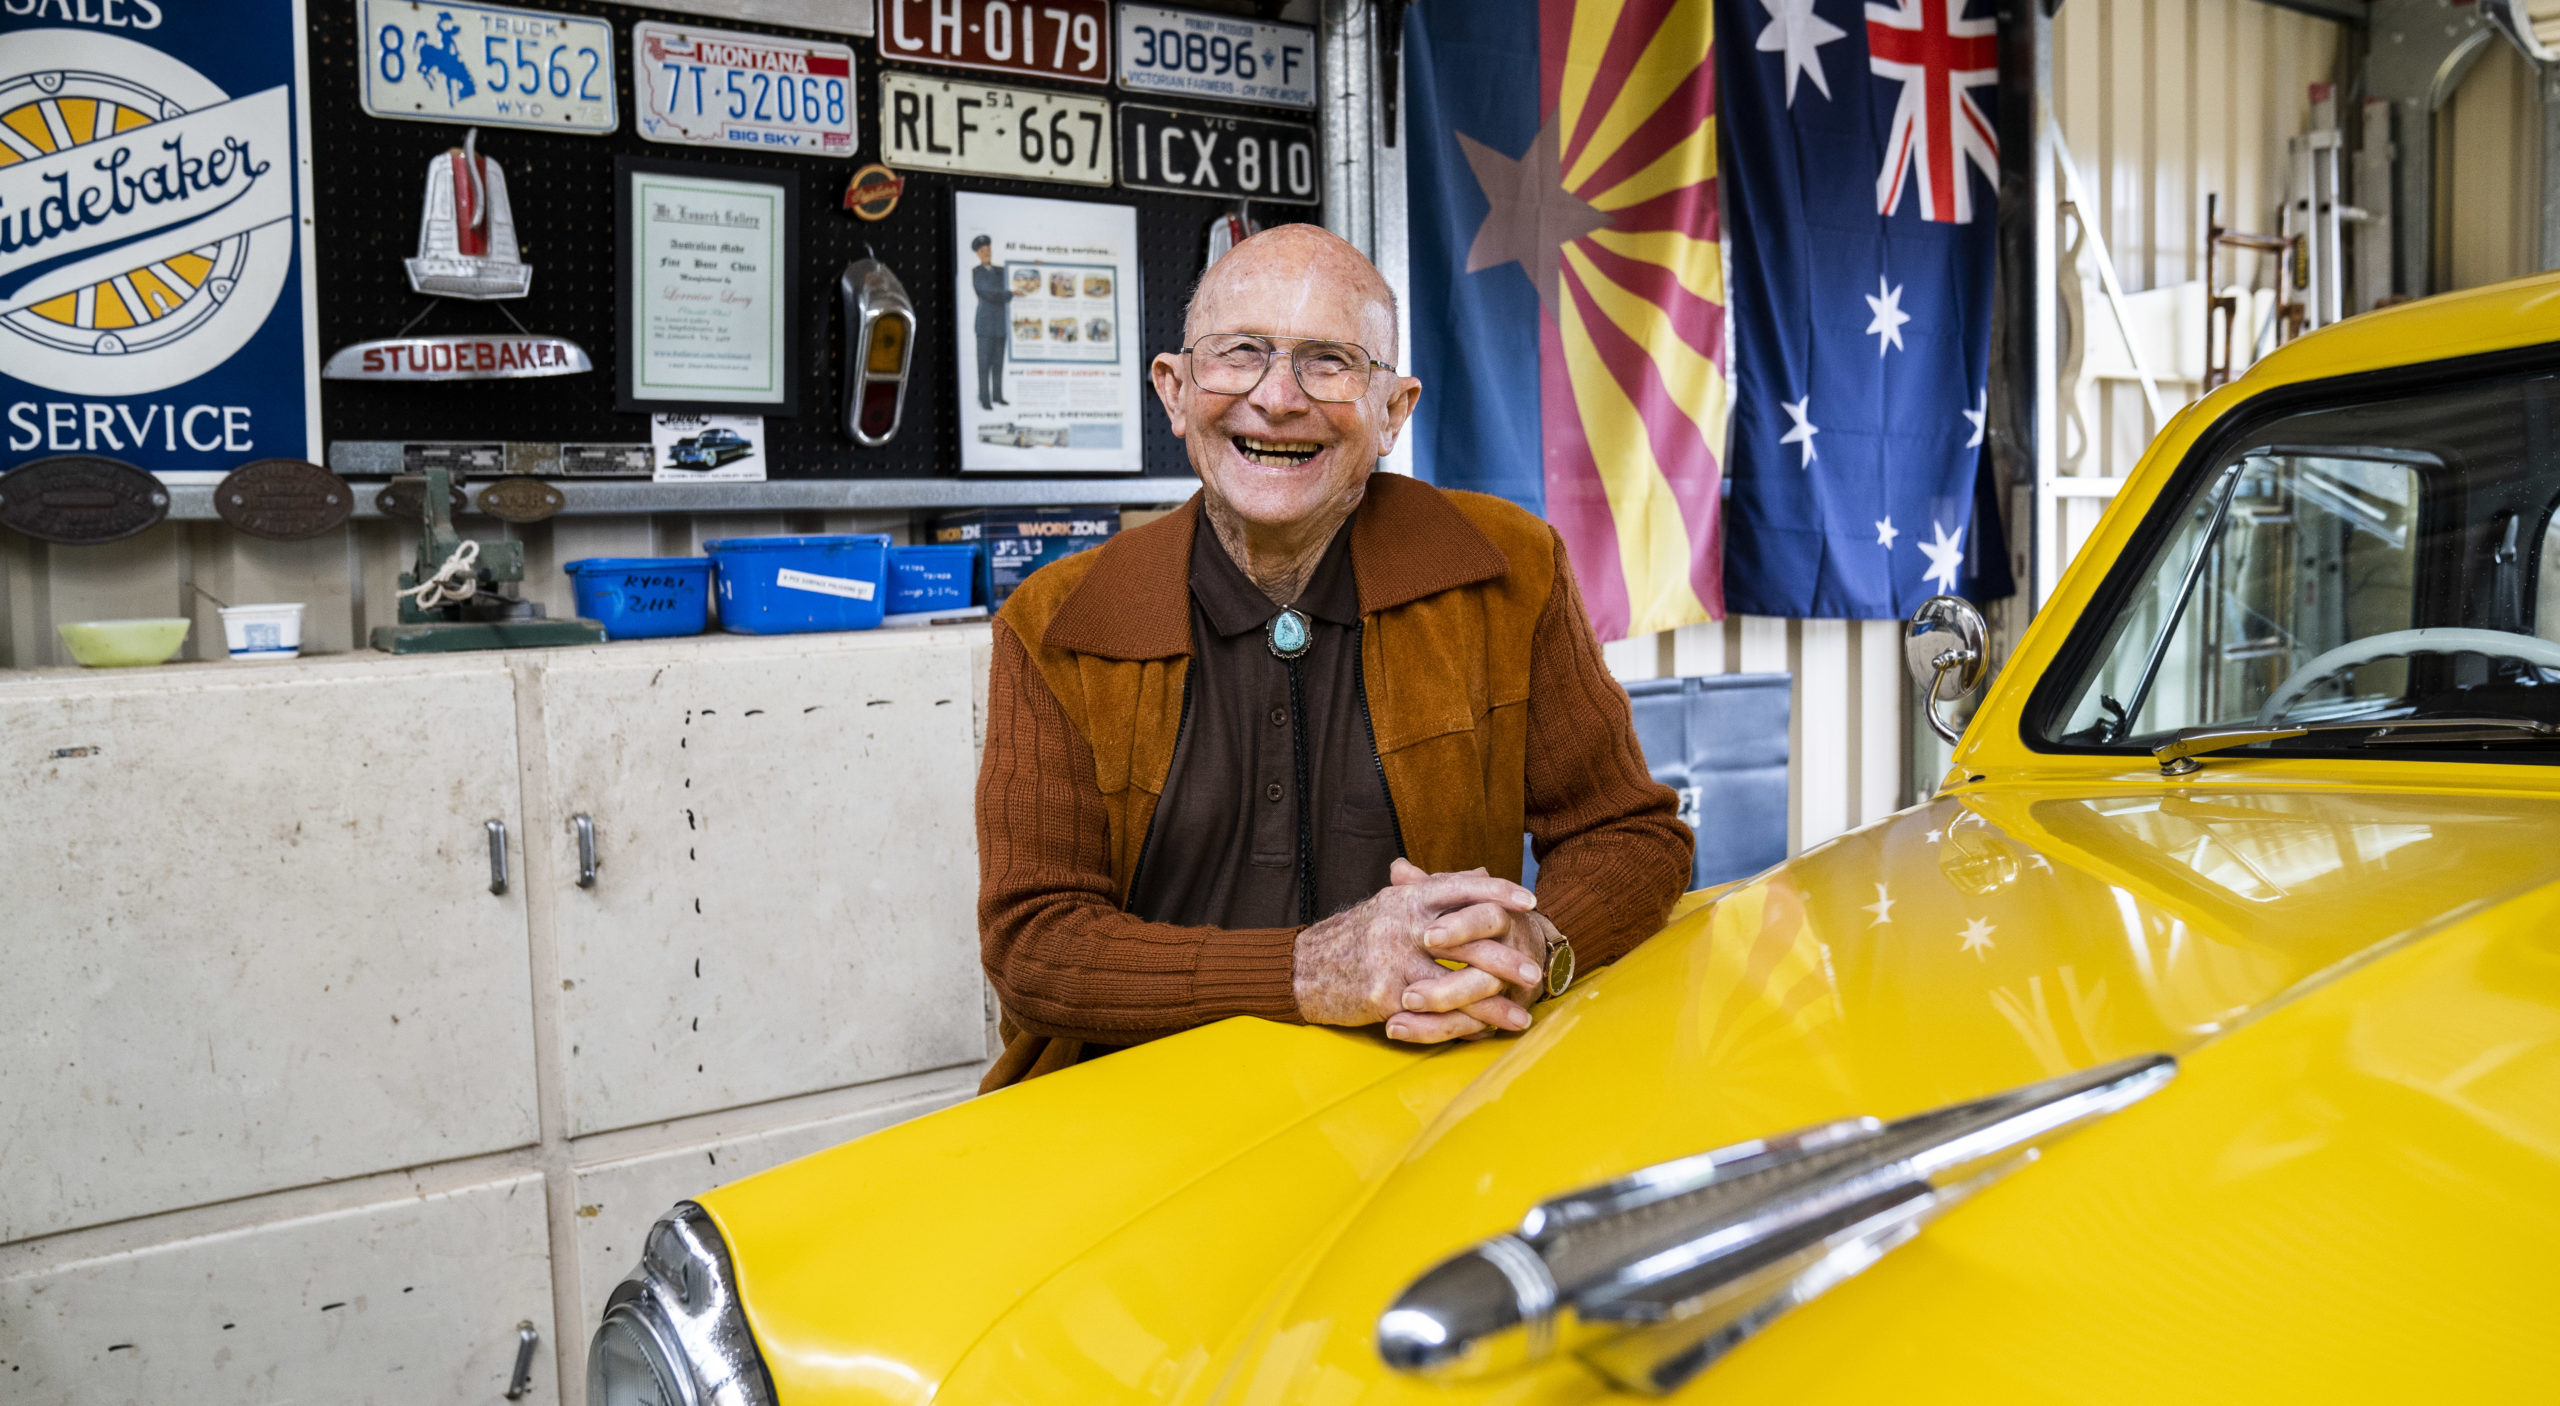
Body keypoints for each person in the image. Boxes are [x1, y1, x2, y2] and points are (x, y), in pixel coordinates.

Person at [975, 224, 1692, 1090]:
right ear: (1174, 391)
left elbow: (1630, 834)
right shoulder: (1054, 621)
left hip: (1429, 1098)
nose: (1277, 398)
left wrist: (1542, 940)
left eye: (1329, 361)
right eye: (1239, 354)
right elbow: (1034, 945)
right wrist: (1310, 972)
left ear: (1393, 411)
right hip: (1137, 1111)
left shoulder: (1509, 568)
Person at [969, 234, 1012, 410]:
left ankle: (997, 395)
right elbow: (989, 293)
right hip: (985, 326)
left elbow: (1014, 276)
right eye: (983, 251)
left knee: (998, 363)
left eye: (988, 250)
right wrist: (1009, 294)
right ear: (978, 254)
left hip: (1000, 325)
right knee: (984, 364)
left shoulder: (1001, 271)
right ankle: (984, 398)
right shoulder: (977, 273)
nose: (986, 253)